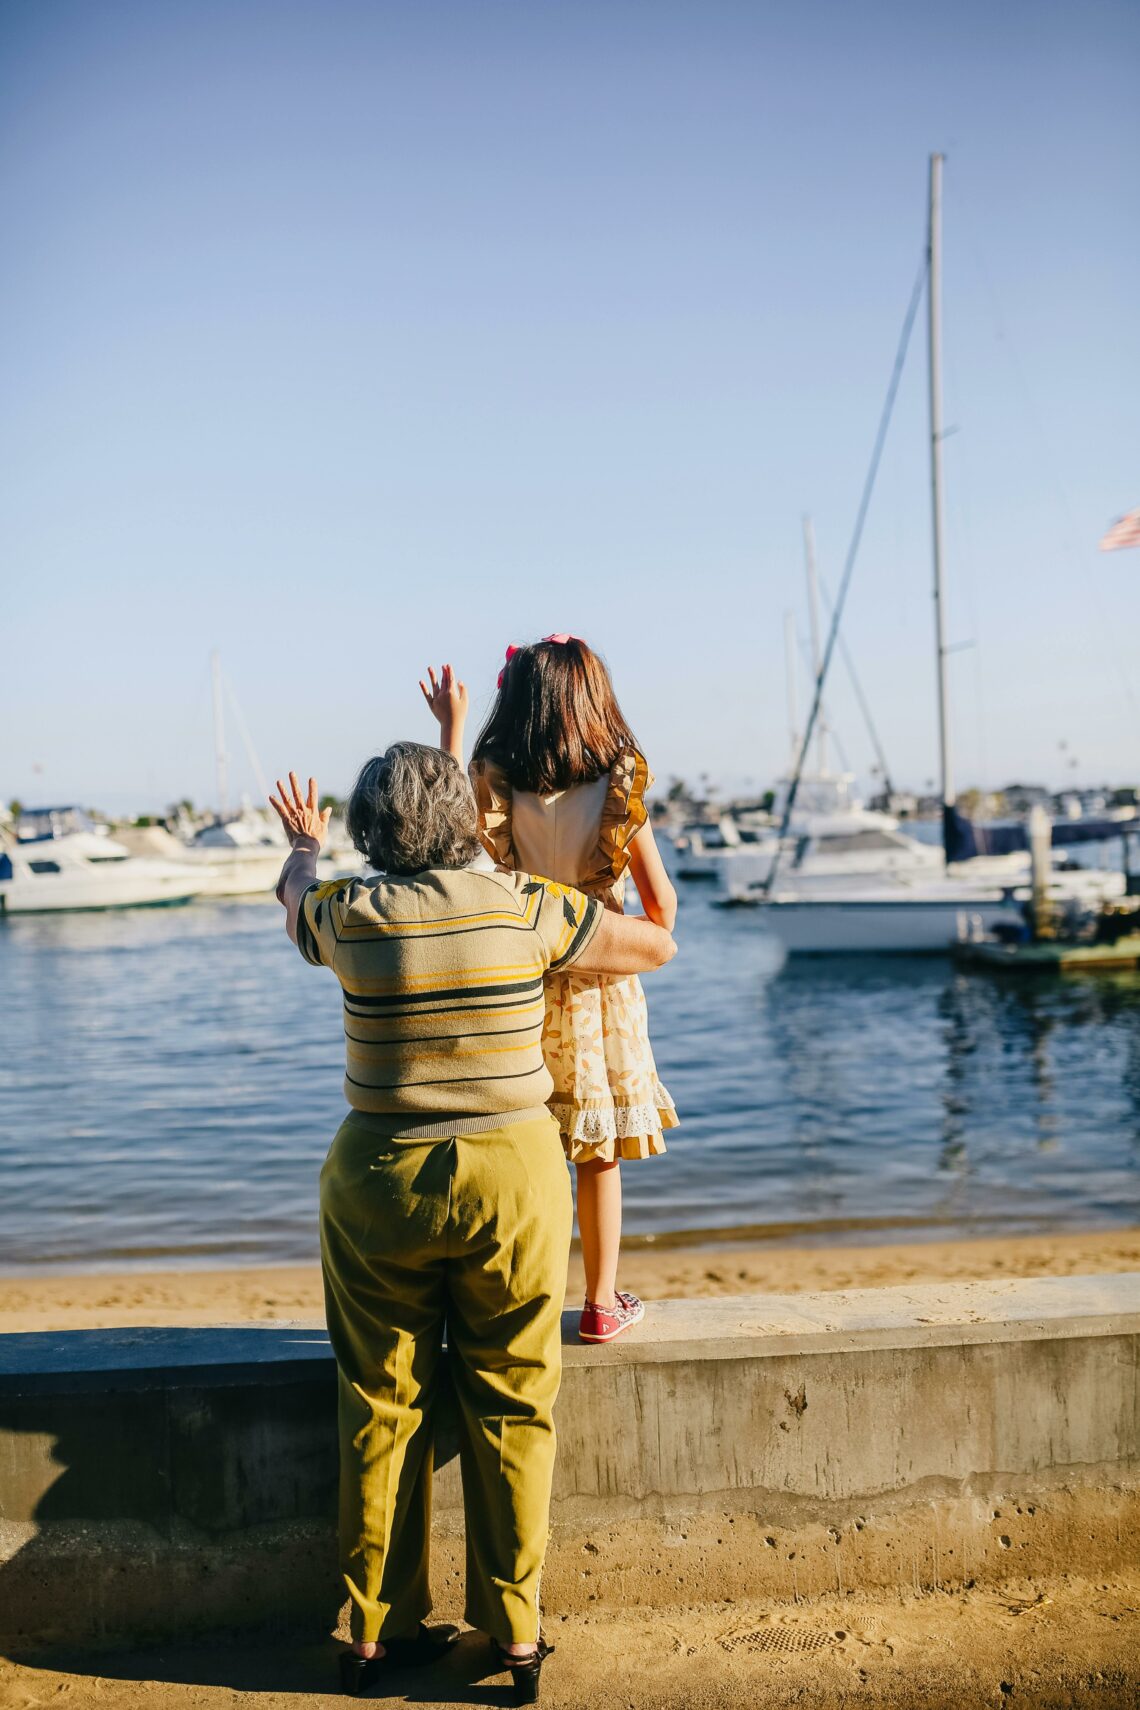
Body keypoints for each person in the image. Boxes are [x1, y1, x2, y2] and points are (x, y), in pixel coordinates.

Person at [269, 753, 676, 1701]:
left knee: (380, 1404)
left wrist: (300, 845)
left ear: (371, 834)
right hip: (514, 1182)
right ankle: (516, 1635)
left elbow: (293, 898)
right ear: (463, 815)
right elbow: (652, 945)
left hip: (380, 1181)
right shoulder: (527, 908)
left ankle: (373, 1635)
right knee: (515, 1397)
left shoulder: (347, 915)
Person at [419, 640, 678, 1344]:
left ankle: (511, 1299)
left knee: (520, 1144)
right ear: (592, 699)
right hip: (599, 984)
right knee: (598, 1155)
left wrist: (450, 725)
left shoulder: (498, 783)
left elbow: (446, 835)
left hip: (523, 978)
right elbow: (663, 910)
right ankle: (599, 1303)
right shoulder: (619, 788)